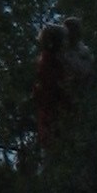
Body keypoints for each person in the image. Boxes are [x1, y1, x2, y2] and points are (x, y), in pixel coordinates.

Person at [31, 21, 71, 150]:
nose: (67, 43)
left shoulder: (58, 61)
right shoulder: (48, 64)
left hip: (56, 118)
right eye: (64, 40)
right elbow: (54, 90)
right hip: (54, 120)